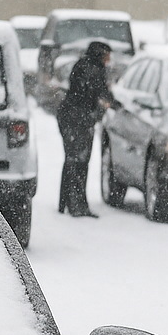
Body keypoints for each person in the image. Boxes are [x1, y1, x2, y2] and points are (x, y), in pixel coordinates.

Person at [56, 39, 122, 218]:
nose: (109, 60)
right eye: (107, 56)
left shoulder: (83, 65)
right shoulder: (93, 69)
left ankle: (66, 203)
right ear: (100, 54)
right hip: (77, 119)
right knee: (79, 161)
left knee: (72, 159)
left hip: (71, 116)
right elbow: (98, 91)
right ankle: (76, 204)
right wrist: (116, 105)